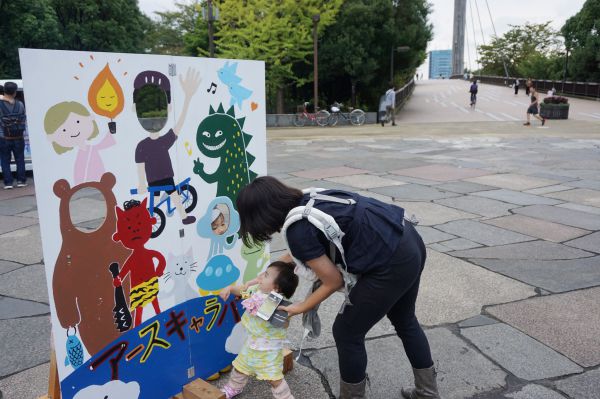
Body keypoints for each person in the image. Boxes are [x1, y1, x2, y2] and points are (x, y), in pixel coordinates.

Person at [236, 177, 440, 399]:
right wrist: (267, 273)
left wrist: (300, 307)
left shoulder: (298, 230)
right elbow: (302, 251)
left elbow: (333, 281)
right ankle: (427, 393)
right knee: (405, 320)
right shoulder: (306, 199)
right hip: (406, 238)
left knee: (346, 331)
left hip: (391, 262)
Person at [218, 261, 299, 399]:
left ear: (276, 287)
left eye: (266, 275)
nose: (261, 277)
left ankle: (286, 397)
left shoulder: (279, 305)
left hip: (268, 351)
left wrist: (285, 318)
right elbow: (242, 291)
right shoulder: (257, 291)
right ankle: (233, 388)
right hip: (250, 344)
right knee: (240, 367)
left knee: (274, 379)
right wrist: (230, 289)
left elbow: (284, 325)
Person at [133, 69, 201, 225]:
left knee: (173, 196)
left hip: (165, 177)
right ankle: (144, 219)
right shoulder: (142, 146)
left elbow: (180, 124)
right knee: (158, 200)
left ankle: (183, 218)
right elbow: (140, 167)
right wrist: (142, 183)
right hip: (155, 180)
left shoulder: (162, 141)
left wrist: (188, 98)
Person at [44, 101, 115, 184]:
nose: (73, 131)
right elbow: (106, 142)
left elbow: (107, 142)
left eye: (77, 122)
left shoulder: (89, 148)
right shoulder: (80, 152)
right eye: (64, 130)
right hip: (89, 185)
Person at [0, 82, 27, 189]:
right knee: (20, 159)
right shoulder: (20, 104)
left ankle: (8, 183)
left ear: (4, 91)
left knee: (5, 160)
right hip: (18, 137)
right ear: (15, 92)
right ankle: (21, 180)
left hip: (3, 137)